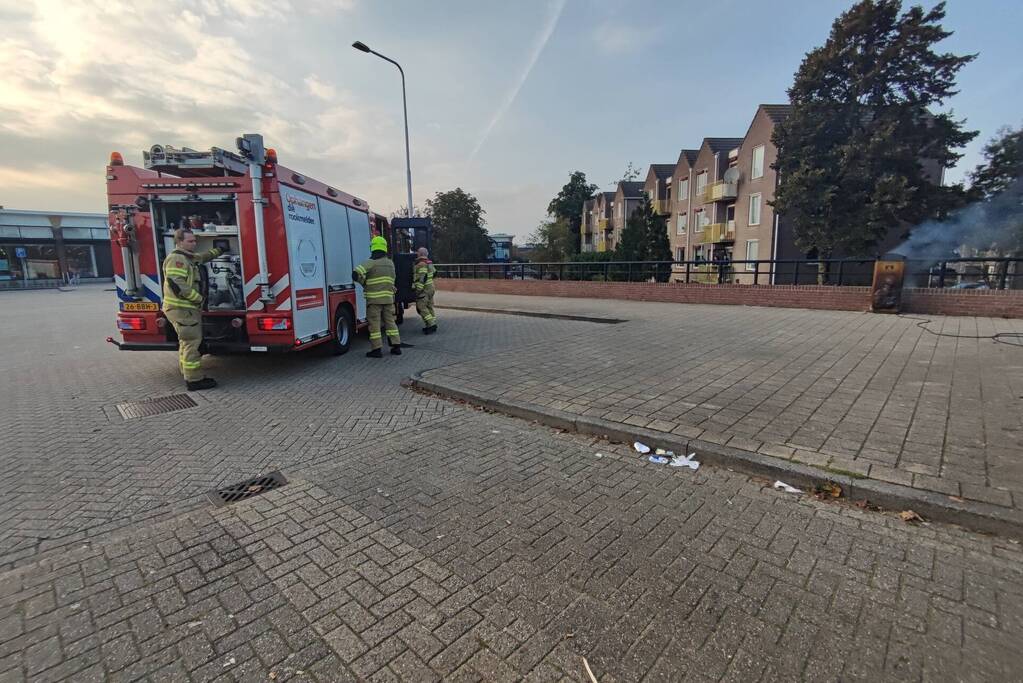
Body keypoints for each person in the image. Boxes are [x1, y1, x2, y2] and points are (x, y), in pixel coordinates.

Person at [162, 228, 223, 390]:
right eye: (190, 241)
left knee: (185, 343)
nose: (194, 243)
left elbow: (202, 257)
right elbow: (176, 282)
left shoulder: (188, 257)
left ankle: (187, 373)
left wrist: (219, 250)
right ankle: (195, 380)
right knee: (192, 344)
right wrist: (198, 298)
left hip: (183, 309)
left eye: (195, 240)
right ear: (179, 242)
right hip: (182, 309)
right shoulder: (177, 258)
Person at [353, 235, 401, 357]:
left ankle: (376, 350)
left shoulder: (371, 263)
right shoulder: (390, 263)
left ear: (373, 248)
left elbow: (355, 274)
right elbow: (392, 279)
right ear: (384, 248)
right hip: (388, 299)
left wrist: (364, 283)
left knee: (374, 325)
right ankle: (396, 346)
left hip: (374, 301)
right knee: (391, 323)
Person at [413, 247, 438, 334]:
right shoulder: (429, 263)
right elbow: (434, 273)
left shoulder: (421, 264)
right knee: (430, 307)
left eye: (417, 253)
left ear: (420, 254)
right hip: (431, 288)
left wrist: (418, 290)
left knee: (422, 307)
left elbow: (422, 278)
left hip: (424, 290)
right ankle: (432, 325)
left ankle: (431, 324)